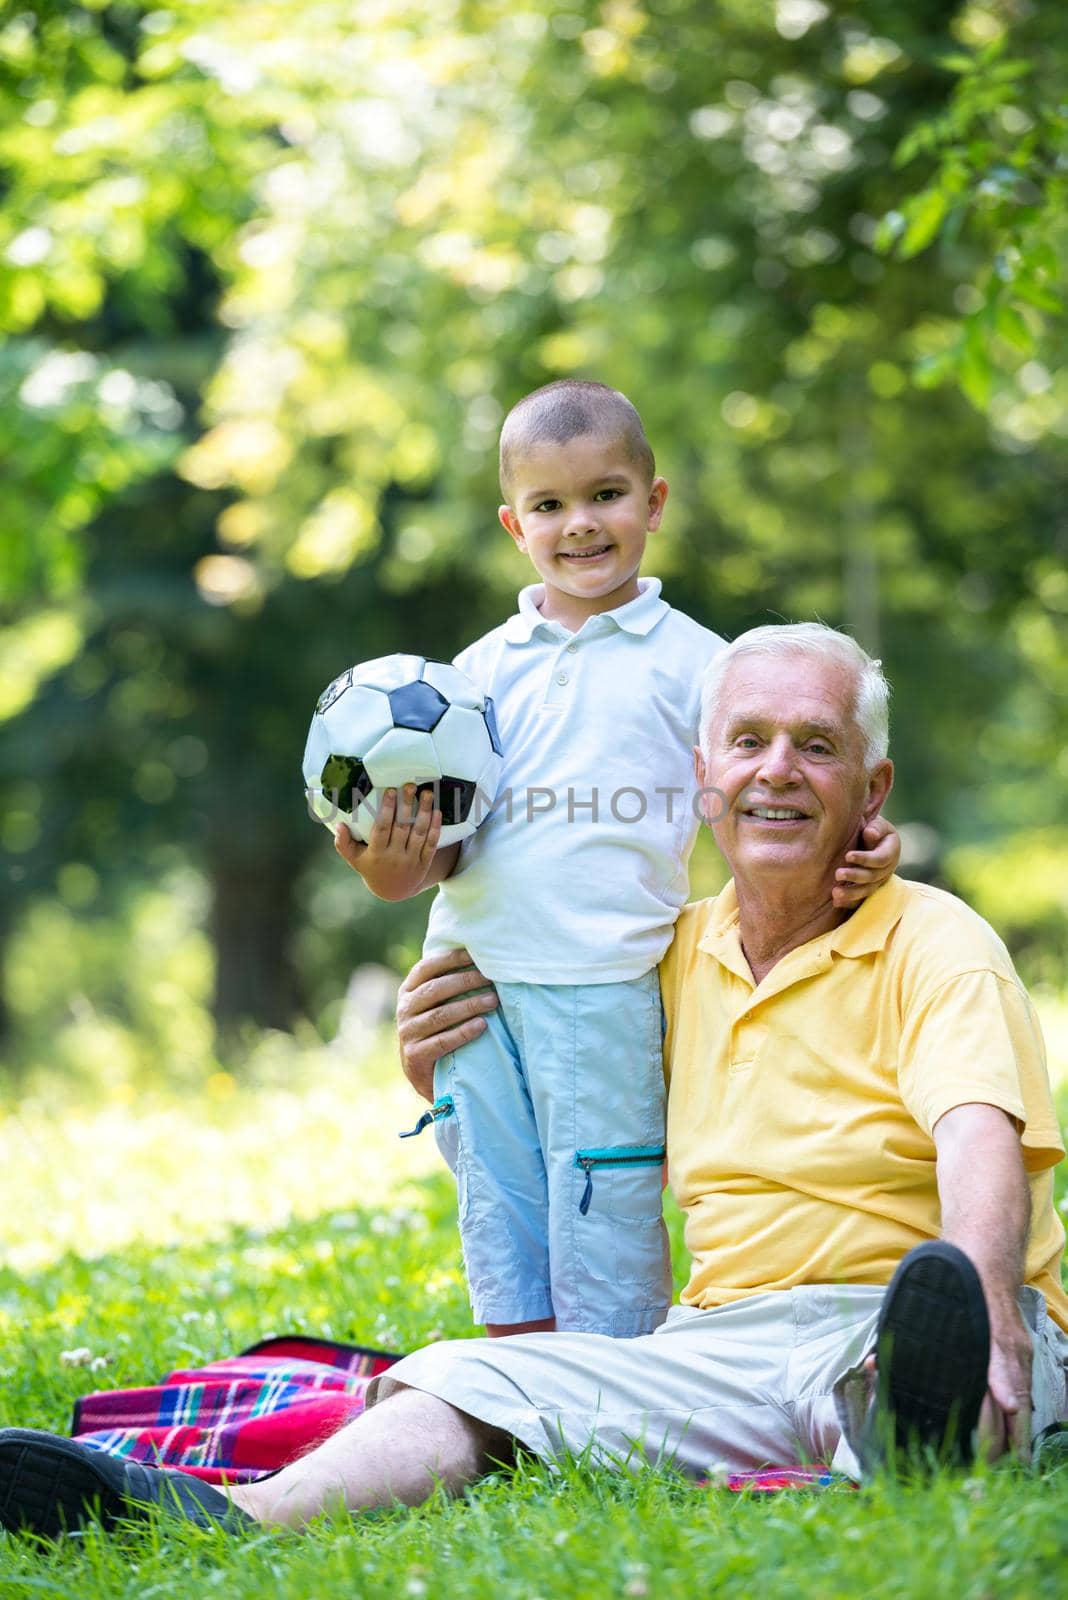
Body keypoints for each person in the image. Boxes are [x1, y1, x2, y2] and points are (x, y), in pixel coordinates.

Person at [3, 623, 1064, 1539]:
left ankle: (928, 1422)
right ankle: (224, 1515)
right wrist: (441, 1067)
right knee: (465, 1374)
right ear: (703, 776)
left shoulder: (933, 937)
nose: (776, 770)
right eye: (749, 741)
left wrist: (983, 1296)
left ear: (871, 789)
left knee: (926, 1372)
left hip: (912, 1313)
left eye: (817, 747)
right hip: (721, 1342)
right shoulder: (655, 958)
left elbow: (979, 1131)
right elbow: (564, 1087)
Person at [333, 380, 898, 1339]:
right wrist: (388, 866)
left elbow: (773, 781)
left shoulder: (703, 667)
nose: (580, 524)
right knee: (498, 1204)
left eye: (606, 495)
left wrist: (863, 841)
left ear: (655, 503)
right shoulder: (470, 678)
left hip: (607, 986)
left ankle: (612, 1386)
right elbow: (436, 859)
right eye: (550, 506)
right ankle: (518, 1385)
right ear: (515, 525)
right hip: (473, 981)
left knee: (605, 1203)